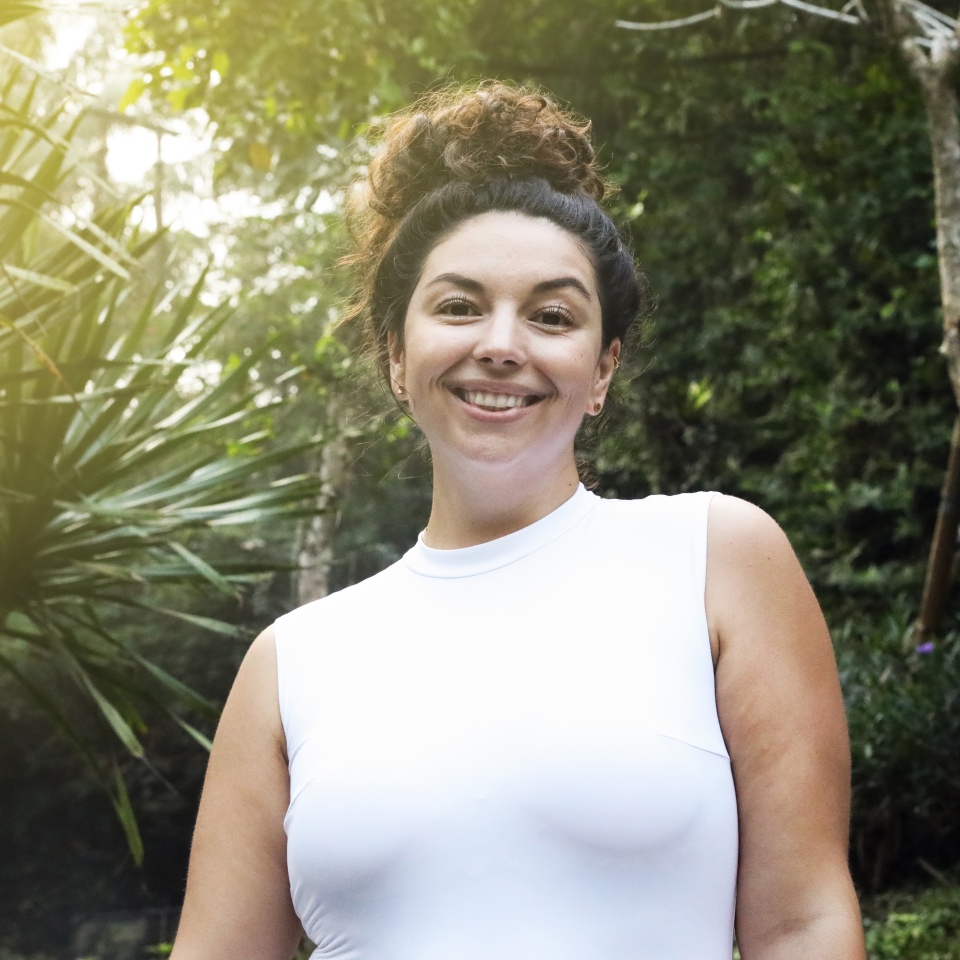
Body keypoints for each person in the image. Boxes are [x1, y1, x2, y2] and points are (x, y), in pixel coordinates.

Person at [169, 83, 866, 960]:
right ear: (397, 354)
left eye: (551, 315)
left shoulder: (715, 558)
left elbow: (804, 926)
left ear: (602, 368)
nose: (502, 343)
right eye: (459, 306)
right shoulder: (292, 663)